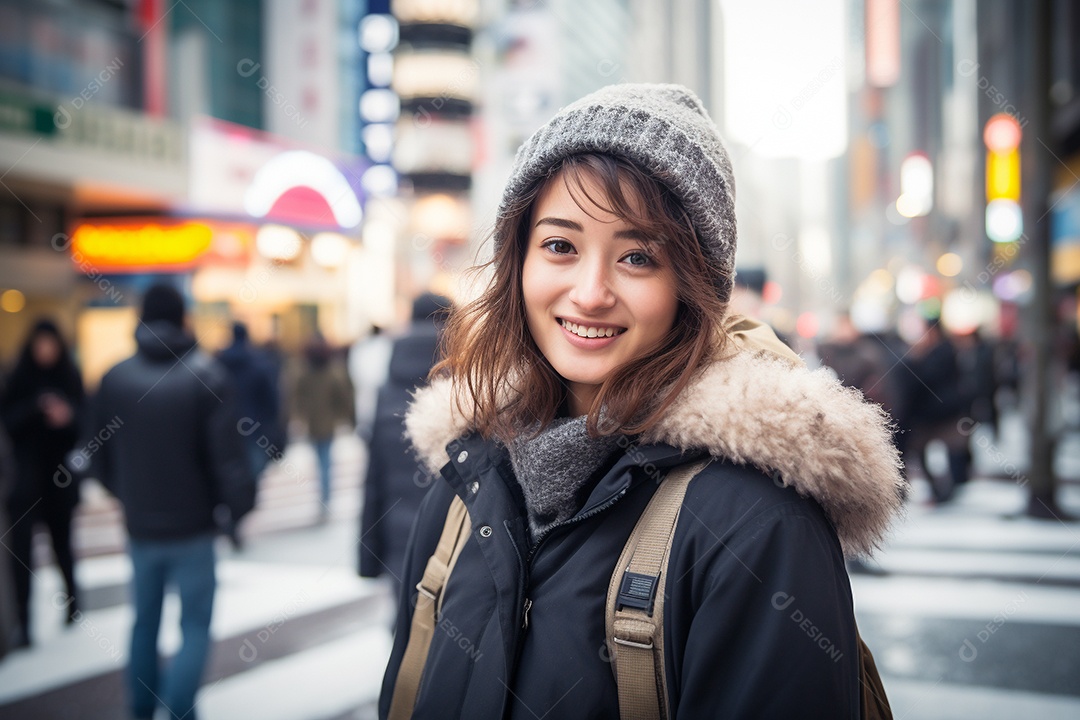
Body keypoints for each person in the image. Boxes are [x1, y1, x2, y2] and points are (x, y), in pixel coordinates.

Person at [378, 84, 904, 718]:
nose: (591, 292)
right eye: (560, 246)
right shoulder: (465, 482)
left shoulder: (758, 525)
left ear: (693, 286)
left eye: (637, 257)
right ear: (517, 261)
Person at [89, 283, 255, 720]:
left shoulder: (114, 377)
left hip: (140, 525)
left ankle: (140, 708)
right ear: (184, 317)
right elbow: (229, 462)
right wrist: (236, 511)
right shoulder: (207, 376)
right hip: (195, 526)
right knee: (195, 625)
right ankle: (180, 709)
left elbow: (95, 455)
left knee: (144, 622)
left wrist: (125, 495)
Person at [359, 293, 450, 600]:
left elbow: (374, 479)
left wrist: (368, 558)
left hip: (399, 535)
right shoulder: (469, 377)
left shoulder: (389, 385)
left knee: (404, 631)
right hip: (452, 539)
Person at [2, 319, 85, 648]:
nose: (46, 350)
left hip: (59, 480)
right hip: (24, 482)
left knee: (62, 545)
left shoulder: (69, 376)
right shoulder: (19, 378)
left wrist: (67, 417)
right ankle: (24, 621)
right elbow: (8, 423)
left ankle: (72, 603)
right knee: (21, 554)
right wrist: (35, 410)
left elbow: (84, 423)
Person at [292, 333, 355, 521]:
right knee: (325, 461)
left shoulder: (304, 372)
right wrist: (347, 417)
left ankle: (324, 497)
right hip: (327, 423)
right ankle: (325, 497)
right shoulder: (332, 372)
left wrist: (299, 417)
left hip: (314, 423)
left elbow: (297, 396)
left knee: (322, 461)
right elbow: (344, 396)